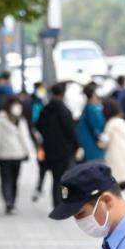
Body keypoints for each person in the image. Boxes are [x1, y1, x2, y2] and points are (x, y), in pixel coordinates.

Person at [35, 82, 80, 210]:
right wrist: (76, 145)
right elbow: (70, 130)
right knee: (61, 178)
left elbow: (38, 125)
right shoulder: (64, 110)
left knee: (55, 177)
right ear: (63, 94)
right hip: (63, 150)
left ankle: (56, 203)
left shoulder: (46, 109)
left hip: (48, 148)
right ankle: (59, 203)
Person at [0, 97, 35, 214]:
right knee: (7, 180)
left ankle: (11, 202)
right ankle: (9, 202)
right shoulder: (0, 118)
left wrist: (27, 152)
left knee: (13, 180)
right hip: (4, 155)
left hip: (17, 155)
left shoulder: (21, 120)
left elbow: (25, 137)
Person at [98, 97, 125, 193]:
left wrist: (99, 139)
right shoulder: (122, 122)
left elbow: (103, 142)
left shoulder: (110, 124)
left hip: (118, 168)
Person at [76, 83, 106, 163]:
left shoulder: (87, 109)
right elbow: (98, 130)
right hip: (94, 150)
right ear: (93, 95)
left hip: (89, 148)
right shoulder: (93, 110)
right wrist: (106, 140)